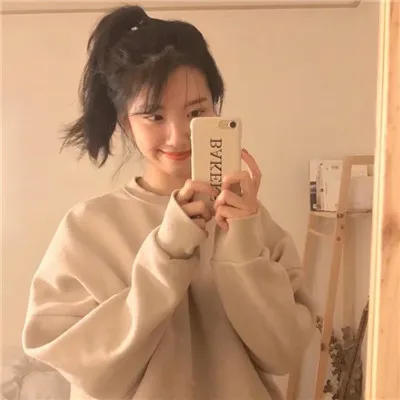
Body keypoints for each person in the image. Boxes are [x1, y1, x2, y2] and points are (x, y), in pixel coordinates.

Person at [22, 5, 315, 400]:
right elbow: (82, 365)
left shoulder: (250, 220)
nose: (178, 136)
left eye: (196, 112)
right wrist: (167, 252)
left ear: (215, 109)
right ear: (126, 123)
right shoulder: (88, 228)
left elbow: (284, 353)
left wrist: (243, 246)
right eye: (153, 116)